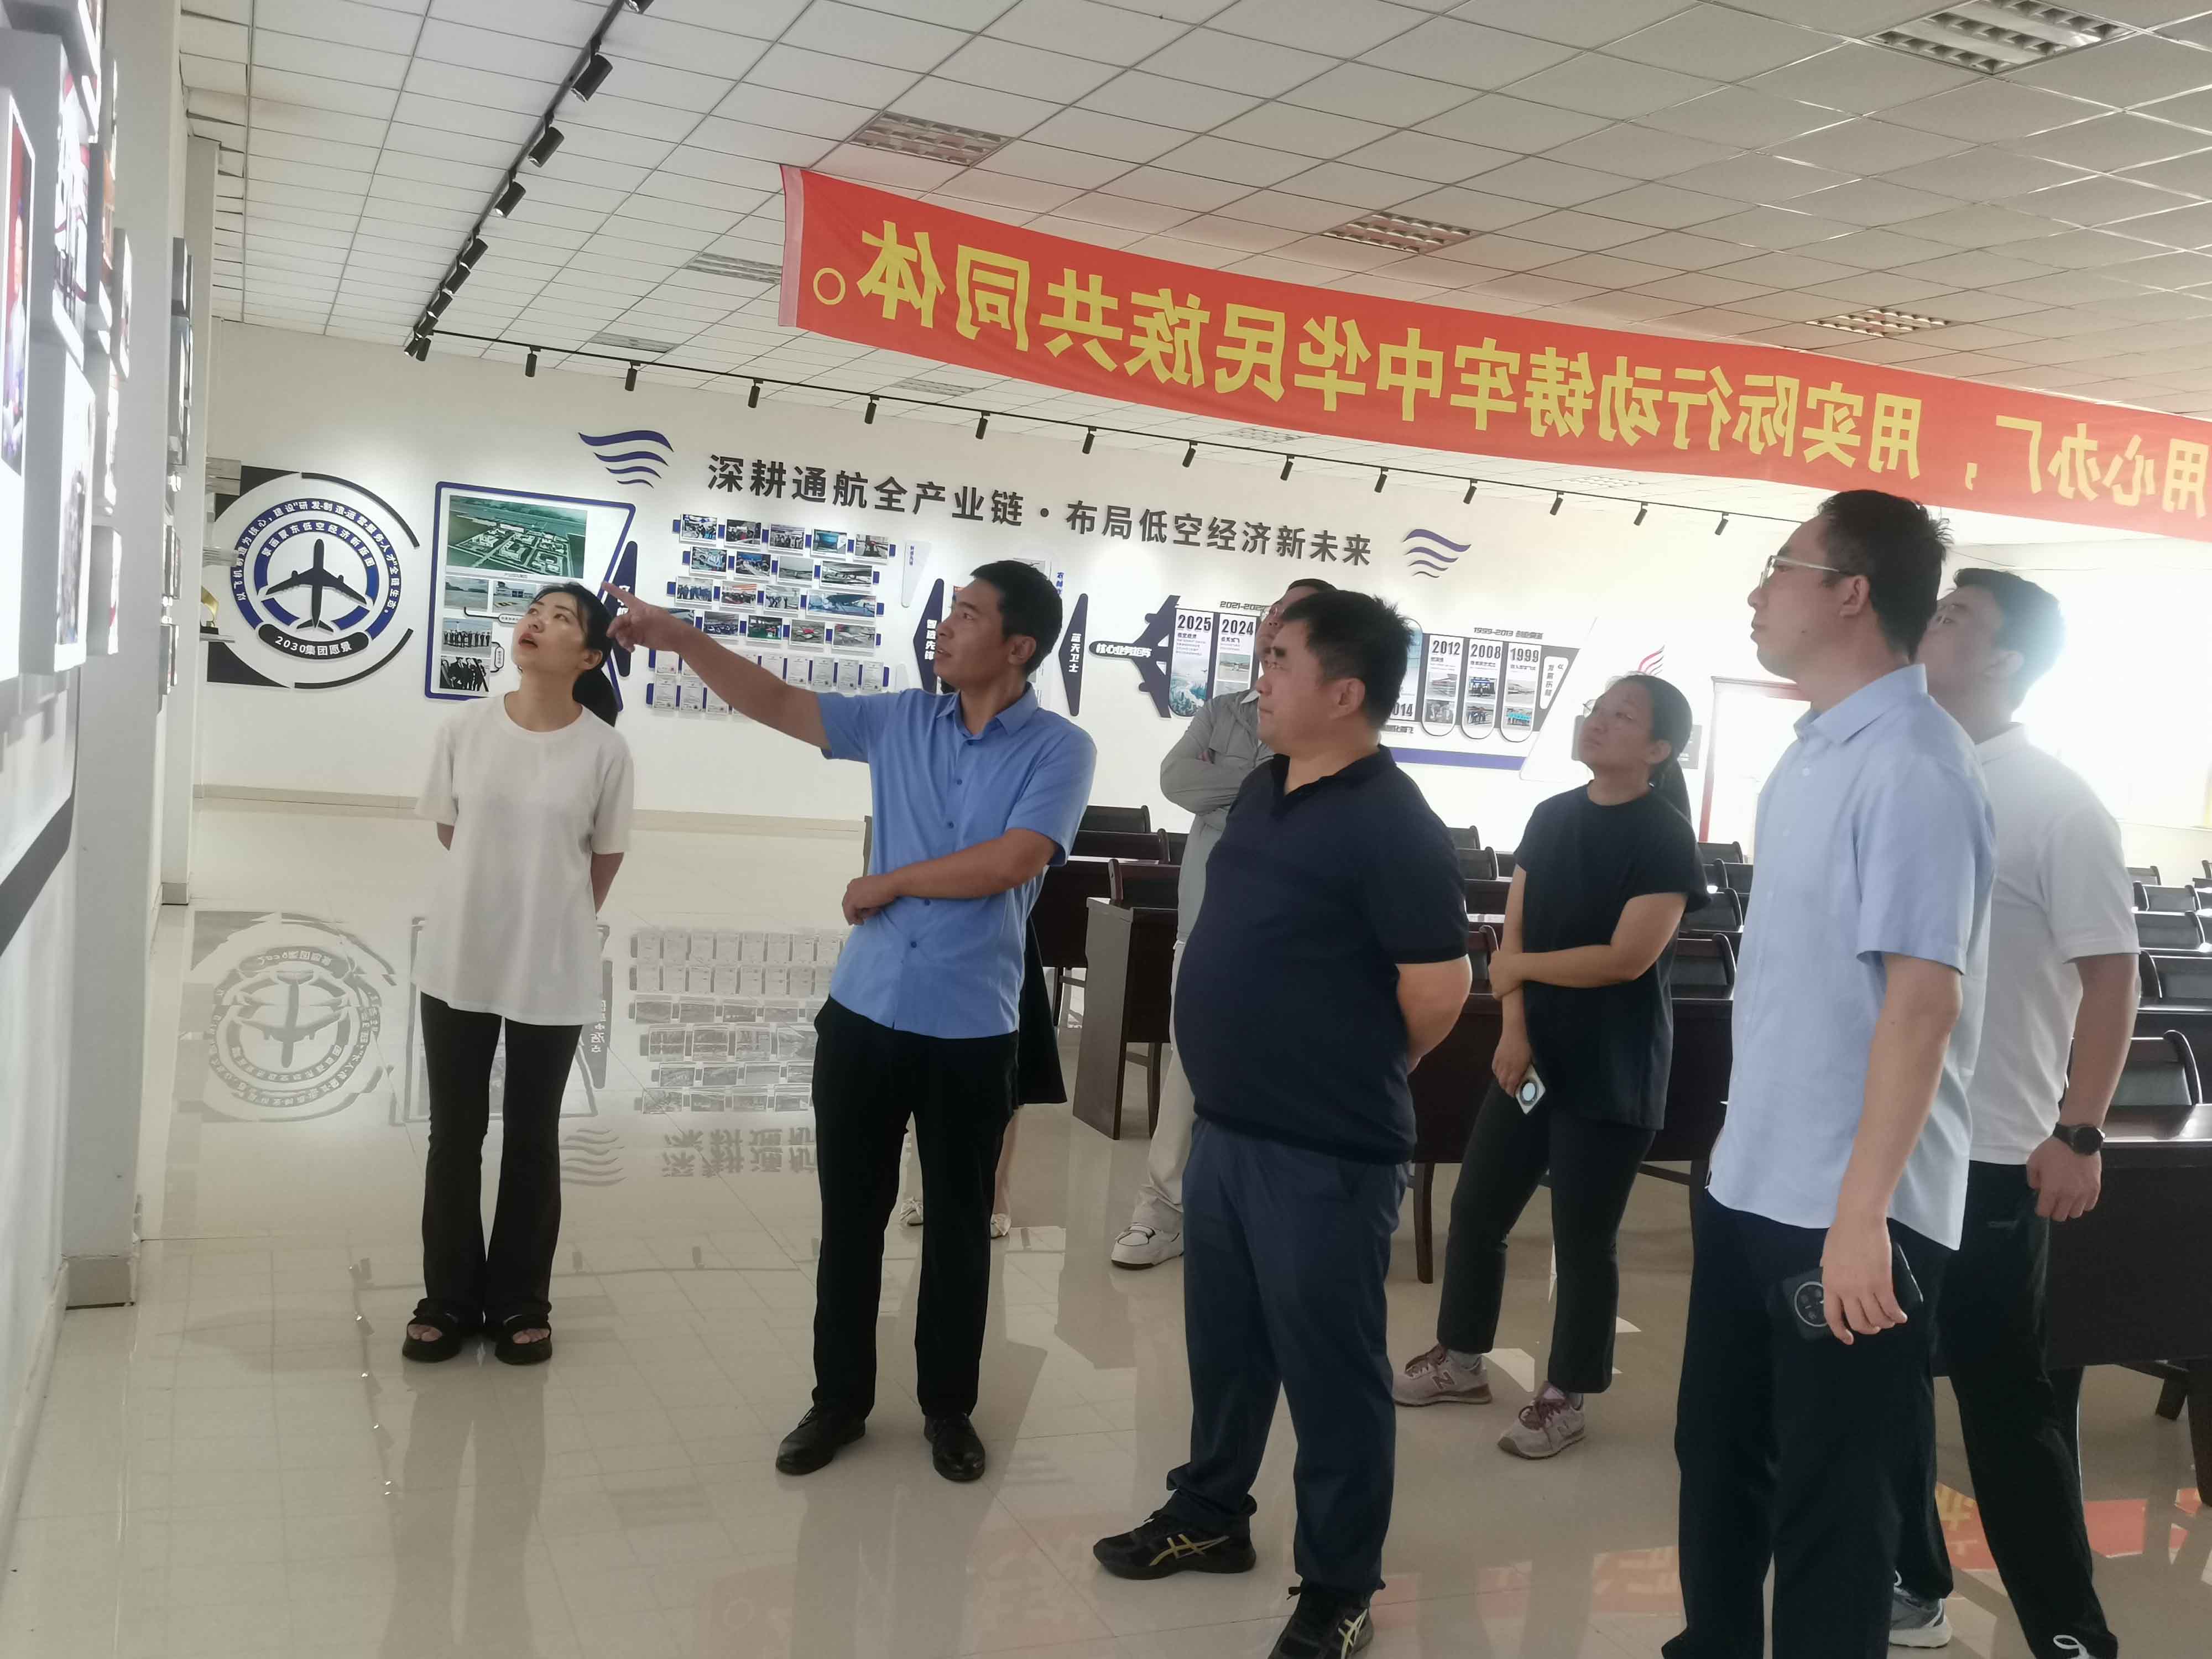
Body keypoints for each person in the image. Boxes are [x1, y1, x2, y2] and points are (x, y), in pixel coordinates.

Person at [607, 563, 1094, 1485]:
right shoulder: (901, 720)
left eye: (968, 615)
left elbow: (1015, 860)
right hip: (866, 1011)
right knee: (852, 1220)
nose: (945, 627)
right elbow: (779, 702)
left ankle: (948, 1407)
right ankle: (838, 1402)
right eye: (949, 611)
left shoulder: (1059, 749)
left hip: (971, 1026)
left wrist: (890, 881)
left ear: (1019, 646)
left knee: (959, 1227)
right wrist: (680, 638)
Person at [1093, 589, 1470, 1659]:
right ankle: (1211, 1514)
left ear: (1343, 693)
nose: (1259, 678)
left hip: (1325, 1152)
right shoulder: (1265, 787)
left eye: (1280, 660)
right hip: (1228, 1131)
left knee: (1331, 1375)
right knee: (1226, 1348)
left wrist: (1350, 1069)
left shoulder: (1393, 824)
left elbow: (1439, 991)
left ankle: (1340, 1586)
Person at [1666, 491, 1995, 1659]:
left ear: (1850, 593)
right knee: (1717, 1454)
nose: (1759, 590)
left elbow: (1922, 1001)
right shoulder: (1813, 753)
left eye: (1782, 565)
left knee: (1833, 1505)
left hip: (1853, 1214)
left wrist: (1862, 1220)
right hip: (1755, 1181)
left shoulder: (1915, 766)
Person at [1895, 571, 2137, 1655]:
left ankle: (2068, 1635)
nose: (1930, 624)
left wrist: (2078, 1131)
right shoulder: (1911, 773)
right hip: (1892, 1146)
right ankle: (1914, 1582)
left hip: (1993, 1151)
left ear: (2003, 661)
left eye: (1954, 618)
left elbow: (2112, 978)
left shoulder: (2053, 800)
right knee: (1883, 1383)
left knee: (2004, 1407)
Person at [1393, 673, 1706, 1459]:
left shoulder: (1665, 835)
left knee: (1583, 1236)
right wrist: (1514, 1029)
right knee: (1479, 1208)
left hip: (1614, 1068)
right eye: (1597, 709)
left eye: (1621, 716)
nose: (1598, 721)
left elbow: (1627, 959)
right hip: (1532, 1058)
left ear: (1658, 749)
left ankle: (1567, 1393)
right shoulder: (1552, 816)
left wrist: (1520, 972)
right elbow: (1516, 932)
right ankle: (1462, 1359)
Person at [405, 583, 633, 1368]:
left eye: (562, 618)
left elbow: (603, 860)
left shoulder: (605, 750)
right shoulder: (464, 729)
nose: (537, 622)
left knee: (533, 1135)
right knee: (454, 1133)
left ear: (590, 656)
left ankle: (520, 1302)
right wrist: (499, 897)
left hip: (553, 962)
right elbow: (452, 832)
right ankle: (447, 1298)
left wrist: (551, 915)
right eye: (535, 611)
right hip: (460, 953)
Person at [1114, 575, 1335, 1269]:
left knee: (1277, 1073)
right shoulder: (1223, 711)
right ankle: (1163, 1210)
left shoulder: (1331, 730)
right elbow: (1176, 779)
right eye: (1272, 611)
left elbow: (1314, 805)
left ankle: (1256, 1215)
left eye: (1290, 616)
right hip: (1205, 922)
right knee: (1187, 1067)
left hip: (1289, 937)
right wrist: (1268, 785)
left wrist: (1224, 795)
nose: (1272, 623)